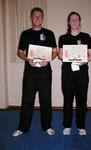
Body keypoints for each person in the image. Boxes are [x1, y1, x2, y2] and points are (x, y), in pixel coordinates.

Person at [12, 7, 58, 137]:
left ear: (42, 18)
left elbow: (55, 51)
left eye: (39, 16)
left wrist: (48, 59)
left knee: (46, 100)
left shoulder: (49, 33)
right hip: (30, 72)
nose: (37, 18)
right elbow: (20, 51)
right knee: (27, 99)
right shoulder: (25, 34)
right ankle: (22, 127)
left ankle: (47, 126)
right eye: (35, 16)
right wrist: (27, 59)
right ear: (31, 18)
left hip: (45, 71)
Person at [58, 12, 91, 136]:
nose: (74, 21)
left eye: (76, 19)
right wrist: (66, 57)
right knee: (67, 100)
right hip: (68, 73)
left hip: (82, 73)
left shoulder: (86, 36)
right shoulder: (63, 38)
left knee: (82, 100)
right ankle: (67, 125)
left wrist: (85, 60)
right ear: (68, 22)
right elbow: (60, 55)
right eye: (72, 19)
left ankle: (81, 126)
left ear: (80, 22)